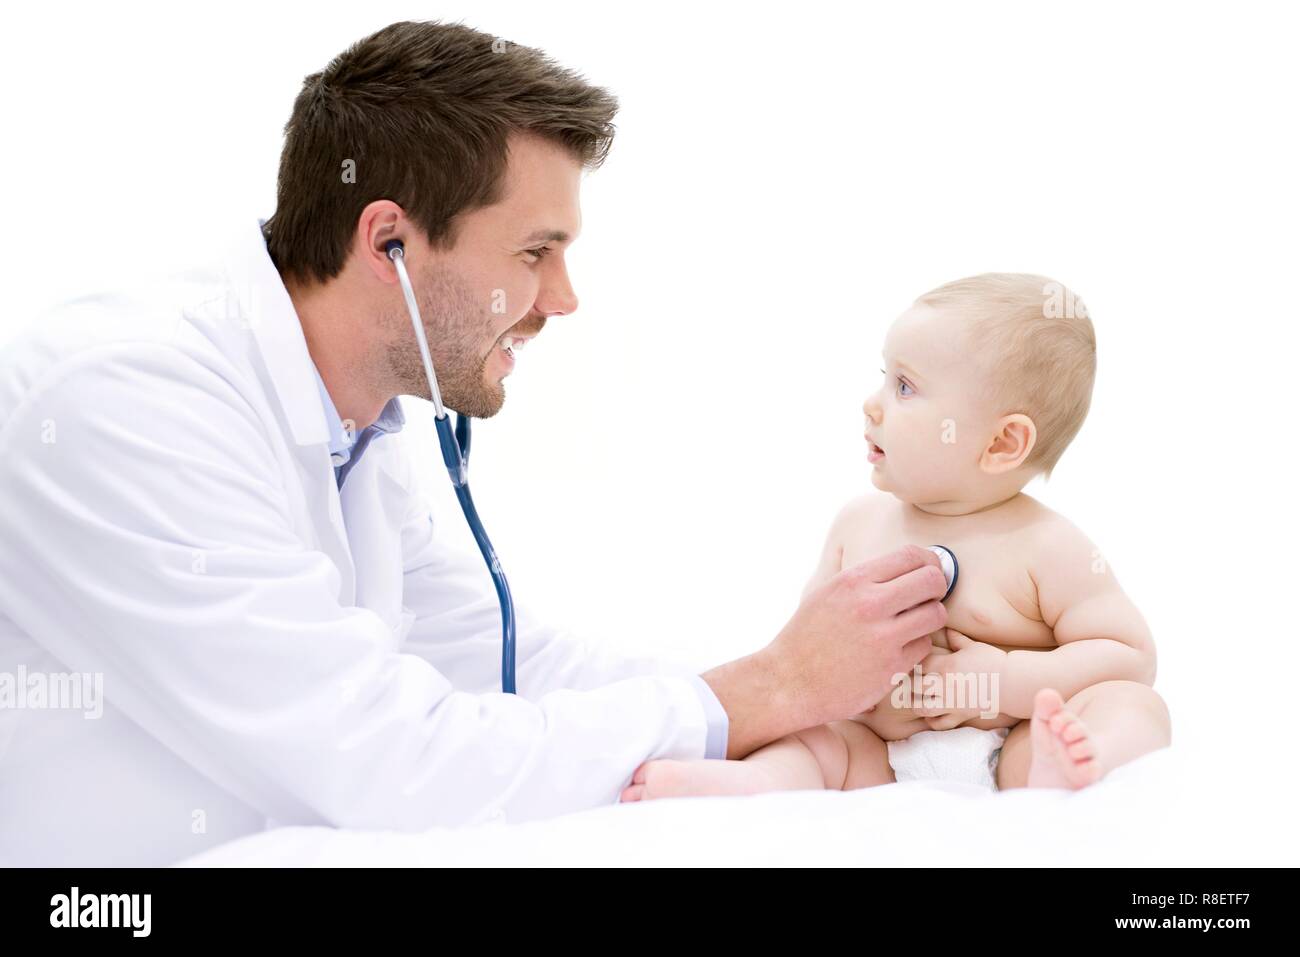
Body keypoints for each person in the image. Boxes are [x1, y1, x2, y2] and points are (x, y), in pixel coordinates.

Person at [0, 20, 946, 866]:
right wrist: (771, 688)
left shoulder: (354, 427)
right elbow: (385, 763)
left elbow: (502, 659)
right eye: (536, 252)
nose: (564, 299)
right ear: (388, 246)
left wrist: (811, 680)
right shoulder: (128, 400)